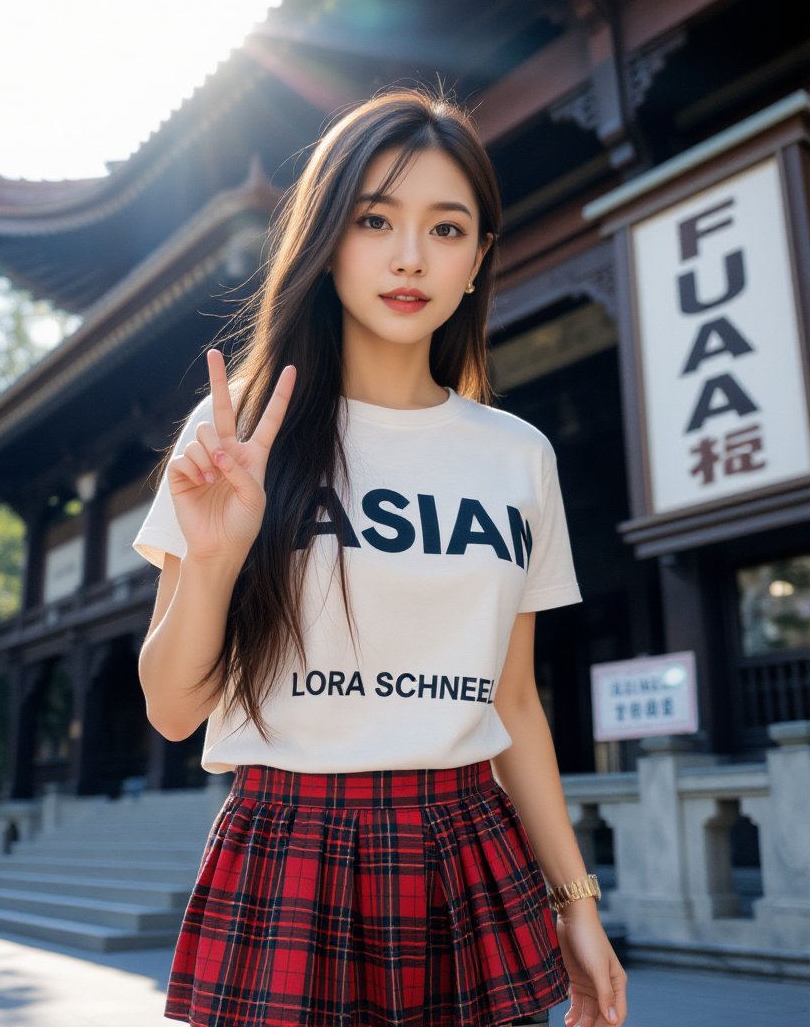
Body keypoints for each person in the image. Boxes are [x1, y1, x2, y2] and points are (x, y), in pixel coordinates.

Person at [134, 87, 627, 1027]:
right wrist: (216, 557)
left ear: (479, 259)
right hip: (287, 850)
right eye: (375, 219)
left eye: (447, 229)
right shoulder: (237, 434)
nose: (410, 257)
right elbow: (170, 708)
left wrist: (578, 904)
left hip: (470, 850)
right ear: (328, 239)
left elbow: (513, 703)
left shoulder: (517, 454)